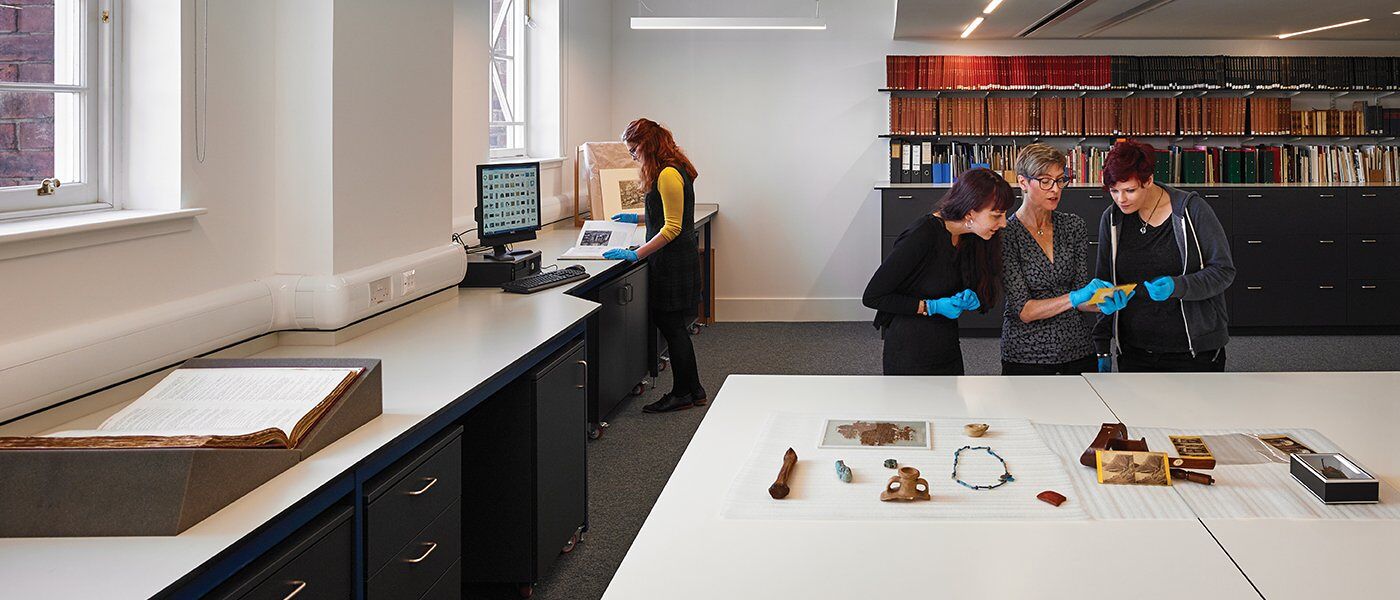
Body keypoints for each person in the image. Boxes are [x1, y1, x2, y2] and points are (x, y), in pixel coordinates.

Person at [1092, 140, 1235, 373]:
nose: (1121, 199)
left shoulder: (1192, 210)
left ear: (1148, 181)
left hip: (1194, 351)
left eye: (1129, 190)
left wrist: (1178, 286)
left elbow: (1223, 271)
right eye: (1114, 191)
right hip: (1134, 350)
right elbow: (1104, 282)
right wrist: (1102, 345)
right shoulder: (1112, 219)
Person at [863, 168, 1013, 375]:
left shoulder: (972, 237)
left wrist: (973, 294)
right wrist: (930, 306)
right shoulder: (922, 235)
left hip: (946, 343)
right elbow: (873, 297)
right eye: (997, 215)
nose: (1004, 223)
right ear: (970, 212)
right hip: (909, 349)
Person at [602, 118, 706, 413]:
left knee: (673, 329)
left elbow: (672, 227)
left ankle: (683, 393)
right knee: (674, 328)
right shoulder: (670, 169)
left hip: (673, 263)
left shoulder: (668, 174)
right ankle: (693, 389)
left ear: (647, 145)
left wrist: (637, 254)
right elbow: (668, 214)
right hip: (674, 258)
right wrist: (636, 219)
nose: (633, 156)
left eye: (634, 150)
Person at [1000, 144, 1121, 375]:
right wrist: (1075, 298)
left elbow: (1081, 296)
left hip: (1076, 348)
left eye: (1060, 179)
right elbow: (1025, 311)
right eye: (1045, 181)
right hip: (1027, 353)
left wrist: (1104, 304)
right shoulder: (1006, 233)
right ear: (1023, 182)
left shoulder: (1073, 226)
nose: (1055, 189)